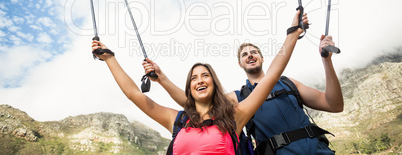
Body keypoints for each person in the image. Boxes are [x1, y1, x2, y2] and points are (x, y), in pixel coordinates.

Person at [92, 11, 305, 154]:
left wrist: (293, 34)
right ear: (190, 89)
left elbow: (273, 74)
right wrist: (110, 58)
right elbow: (134, 94)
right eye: (194, 78)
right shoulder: (177, 121)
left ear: (214, 84)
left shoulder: (235, 117)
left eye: (205, 75)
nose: (199, 80)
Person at [143, 15, 342, 154]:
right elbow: (193, 103)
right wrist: (162, 79)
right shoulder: (236, 98)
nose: (249, 55)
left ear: (262, 58)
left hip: (318, 151)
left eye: (253, 52)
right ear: (240, 63)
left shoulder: (289, 84)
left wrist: (327, 61)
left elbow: (334, 105)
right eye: (244, 54)